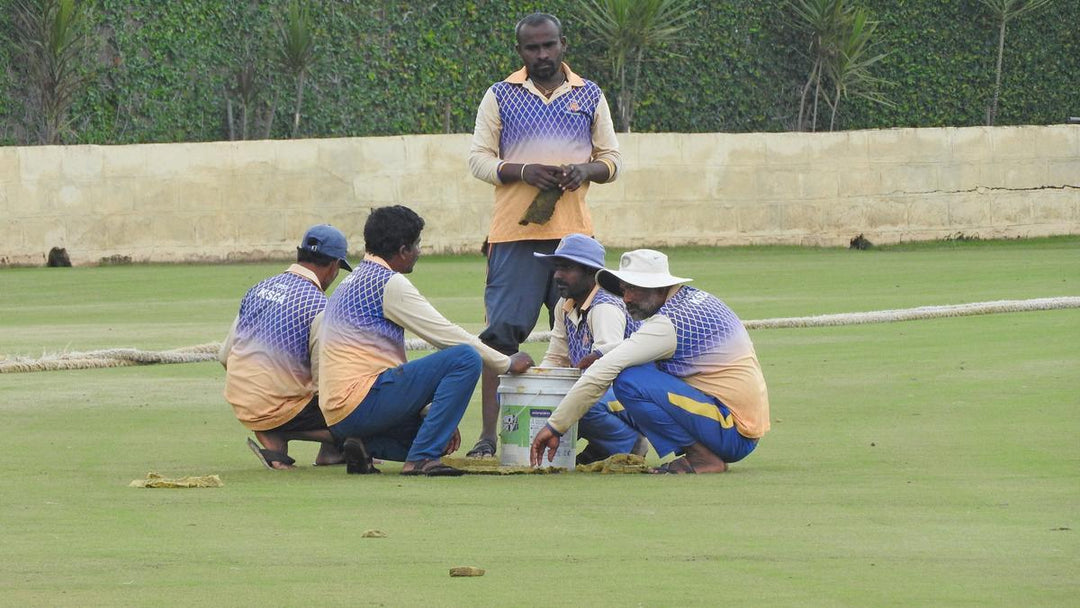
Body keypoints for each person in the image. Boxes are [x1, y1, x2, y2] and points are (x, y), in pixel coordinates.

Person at [466, 12, 622, 458]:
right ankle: (487, 438)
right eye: (532, 48)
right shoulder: (500, 95)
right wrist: (520, 171)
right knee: (499, 338)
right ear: (520, 52)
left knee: (587, 339)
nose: (541, 55)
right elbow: (478, 160)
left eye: (548, 45)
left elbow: (612, 159)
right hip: (512, 237)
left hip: (575, 241)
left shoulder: (589, 95)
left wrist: (583, 170)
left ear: (563, 45)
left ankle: (601, 437)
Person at [318, 205, 534, 476]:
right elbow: (446, 334)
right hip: (362, 403)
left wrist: (433, 413)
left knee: (439, 435)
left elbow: (391, 369)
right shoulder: (388, 282)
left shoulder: (352, 280)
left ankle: (365, 445)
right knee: (465, 357)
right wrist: (505, 363)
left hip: (338, 417)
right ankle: (420, 459)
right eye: (417, 245)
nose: (419, 252)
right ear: (403, 250)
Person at [530, 250, 771, 474]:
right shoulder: (688, 301)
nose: (626, 298)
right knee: (630, 373)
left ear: (658, 288)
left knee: (628, 381)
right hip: (733, 423)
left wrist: (554, 427)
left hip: (733, 432)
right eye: (624, 289)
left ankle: (701, 458)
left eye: (635, 289)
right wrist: (605, 353)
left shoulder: (668, 324)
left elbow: (603, 372)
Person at [219, 224, 352, 470]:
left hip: (242, 400)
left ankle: (273, 436)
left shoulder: (258, 289)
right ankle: (321, 439)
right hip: (281, 406)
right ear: (334, 266)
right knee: (363, 418)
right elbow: (326, 382)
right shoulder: (320, 305)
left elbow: (224, 355)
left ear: (299, 253)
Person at [532, 233, 647, 465]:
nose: (557, 276)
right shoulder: (564, 305)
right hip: (606, 390)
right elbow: (556, 358)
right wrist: (535, 387)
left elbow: (607, 368)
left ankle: (628, 444)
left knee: (583, 403)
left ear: (590, 273)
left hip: (634, 393)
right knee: (541, 396)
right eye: (557, 268)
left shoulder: (604, 307)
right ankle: (601, 445)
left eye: (566, 268)